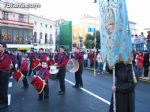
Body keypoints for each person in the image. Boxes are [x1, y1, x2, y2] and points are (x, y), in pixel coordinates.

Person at [0, 43, 11, 109]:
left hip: (4, 73)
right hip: (0, 72)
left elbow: (4, 64)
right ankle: (1, 100)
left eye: (0, 46)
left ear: (4, 48)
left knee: (4, 89)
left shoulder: (7, 55)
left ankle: (5, 103)